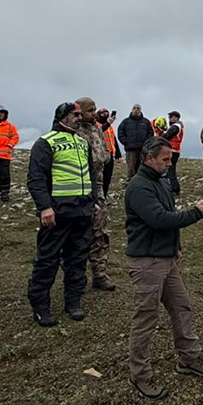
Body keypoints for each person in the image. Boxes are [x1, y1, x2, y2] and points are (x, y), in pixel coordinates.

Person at [124, 136, 203, 398]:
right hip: (147, 262)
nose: (169, 163)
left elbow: (166, 218)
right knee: (146, 317)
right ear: (149, 158)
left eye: (169, 158)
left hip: (165, 259)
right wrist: (195, 213)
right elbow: (159, 219)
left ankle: (189, 358)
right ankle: (139, 374)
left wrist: (175, 245)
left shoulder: (160, 182)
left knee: (182, 306)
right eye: (164, 159)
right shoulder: (140, 187)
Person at [26, 103, 99, 327]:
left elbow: (91, 173)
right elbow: (36, 178)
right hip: (58, 212)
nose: (79, 118)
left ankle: (73, 302)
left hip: (82, 211)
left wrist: (93, 200)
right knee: (47, 260)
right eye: (74, 115)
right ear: (62, 117)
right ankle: (40, 306)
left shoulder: (82, 142)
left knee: (77, 259)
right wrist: (45, 207)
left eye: (79, 114)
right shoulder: (45, 142)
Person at [73, 97, 114, 291]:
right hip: (79, 186)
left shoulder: (97, 128)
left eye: (94, 110)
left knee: (101, 230)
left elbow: (104, 150)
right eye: (91, 110)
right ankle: (76, 277)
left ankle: (100, 274)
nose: (93, 113)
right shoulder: (73, 130)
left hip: (98, 185)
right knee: (79, 233)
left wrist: (106, 157)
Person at [117, 104, 153, 180]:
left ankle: (142, 182)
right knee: (131, 168)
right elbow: (120, 133)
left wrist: (147, 143)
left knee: (143, 167)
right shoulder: (125, 122)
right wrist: (126, 142)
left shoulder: (146, 122)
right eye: (134, 108)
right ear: (131, 109)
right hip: (130, 150)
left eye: (138, 108)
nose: (136, 109)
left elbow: (150, 133)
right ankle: (131, 184)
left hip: (143, 149)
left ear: (140, 110)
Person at [156, 111, 184, 196]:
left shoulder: (175, 126)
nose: (169, 119)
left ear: (176, 118)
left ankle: (174, 188)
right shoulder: (178, 126)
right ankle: (172, 187)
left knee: (170, 170)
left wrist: (160, 134)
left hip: (172, 150)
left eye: (171, 117)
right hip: (175, 150)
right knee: (170, 169)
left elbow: (167, 136)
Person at [97, 108, 123, 196]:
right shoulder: (97, 125)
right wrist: (107, 123)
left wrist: (118, 155)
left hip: (110, 154)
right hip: (100, 154)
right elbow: (98, 132)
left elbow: (113, 140)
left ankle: (104, 197)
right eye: (103, 114)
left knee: (107, 178)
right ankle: (99, 198)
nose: (106, 116)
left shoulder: (110, 127)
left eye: (107, 114)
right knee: (100, 178)